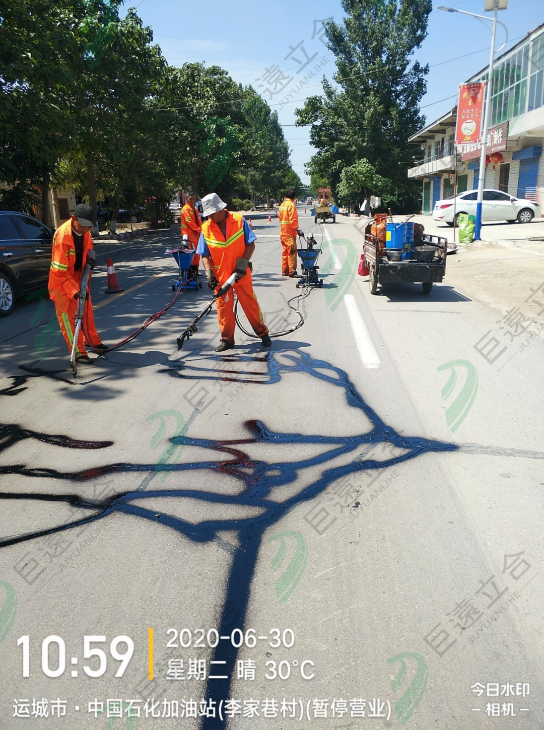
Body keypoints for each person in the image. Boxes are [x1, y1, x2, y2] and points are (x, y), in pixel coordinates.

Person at [196, 193, 271, 352]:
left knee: (250, 305)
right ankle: (227, 340)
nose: (210, 217)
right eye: (208, 214)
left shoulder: (239, 221)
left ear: (220, 209)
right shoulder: (206, 228)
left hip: (240, 274)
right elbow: (205, 255)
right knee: (224, 311)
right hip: (221, 278)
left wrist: (242, 265)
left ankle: (263, 333)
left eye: (212, 213)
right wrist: (209, 275)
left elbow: (250, 245)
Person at [48, 203, 106, 365]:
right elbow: (59, 272)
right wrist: (73, 291)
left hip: (79, 277)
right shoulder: (63, 237)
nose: (86, 230)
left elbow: (88, 247)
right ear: (74, 219)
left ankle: (92, 341)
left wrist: (90, 258)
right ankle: (79, 352)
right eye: (84, 226)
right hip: (61, 282)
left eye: (89, 227)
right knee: (68, 318)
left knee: (86, 312)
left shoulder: (85, 231)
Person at [278, 189, 301, 277]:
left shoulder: (282, 205)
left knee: (285, 253)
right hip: (289, 233)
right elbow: (292, 219)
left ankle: (285, 271)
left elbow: (280, 218)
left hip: (283, 233)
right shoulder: (291, 205)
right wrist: (297, 229)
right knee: (292, 252)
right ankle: (292, 271)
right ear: (294, 197)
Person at [180, 191, 202, 272]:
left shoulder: (194, 209)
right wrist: (199, 230)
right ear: (186, 199)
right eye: (190, 199)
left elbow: (198, 221)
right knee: (190, 255)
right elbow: (190, 222)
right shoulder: (185, 209)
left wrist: (201, 229)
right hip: (188, 236)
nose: (192, 201)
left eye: (194, 199)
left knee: (197, 254)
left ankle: (195, 271)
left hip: (196, 236)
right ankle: (190, 272)